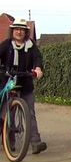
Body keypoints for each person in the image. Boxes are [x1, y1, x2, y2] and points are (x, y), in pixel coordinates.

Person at [0, 18, 47, 154]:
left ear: (25, 32)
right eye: (16, 29)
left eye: (21, 29)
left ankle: (35, 143)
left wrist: (38, 69)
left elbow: (37, 57)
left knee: (30, 113)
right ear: (12, 31)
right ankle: (10, 142)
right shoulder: (7, 44)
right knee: (9, 112)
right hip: (8, 82)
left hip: (26, 84)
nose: (18, 32)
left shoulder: (30, 45)